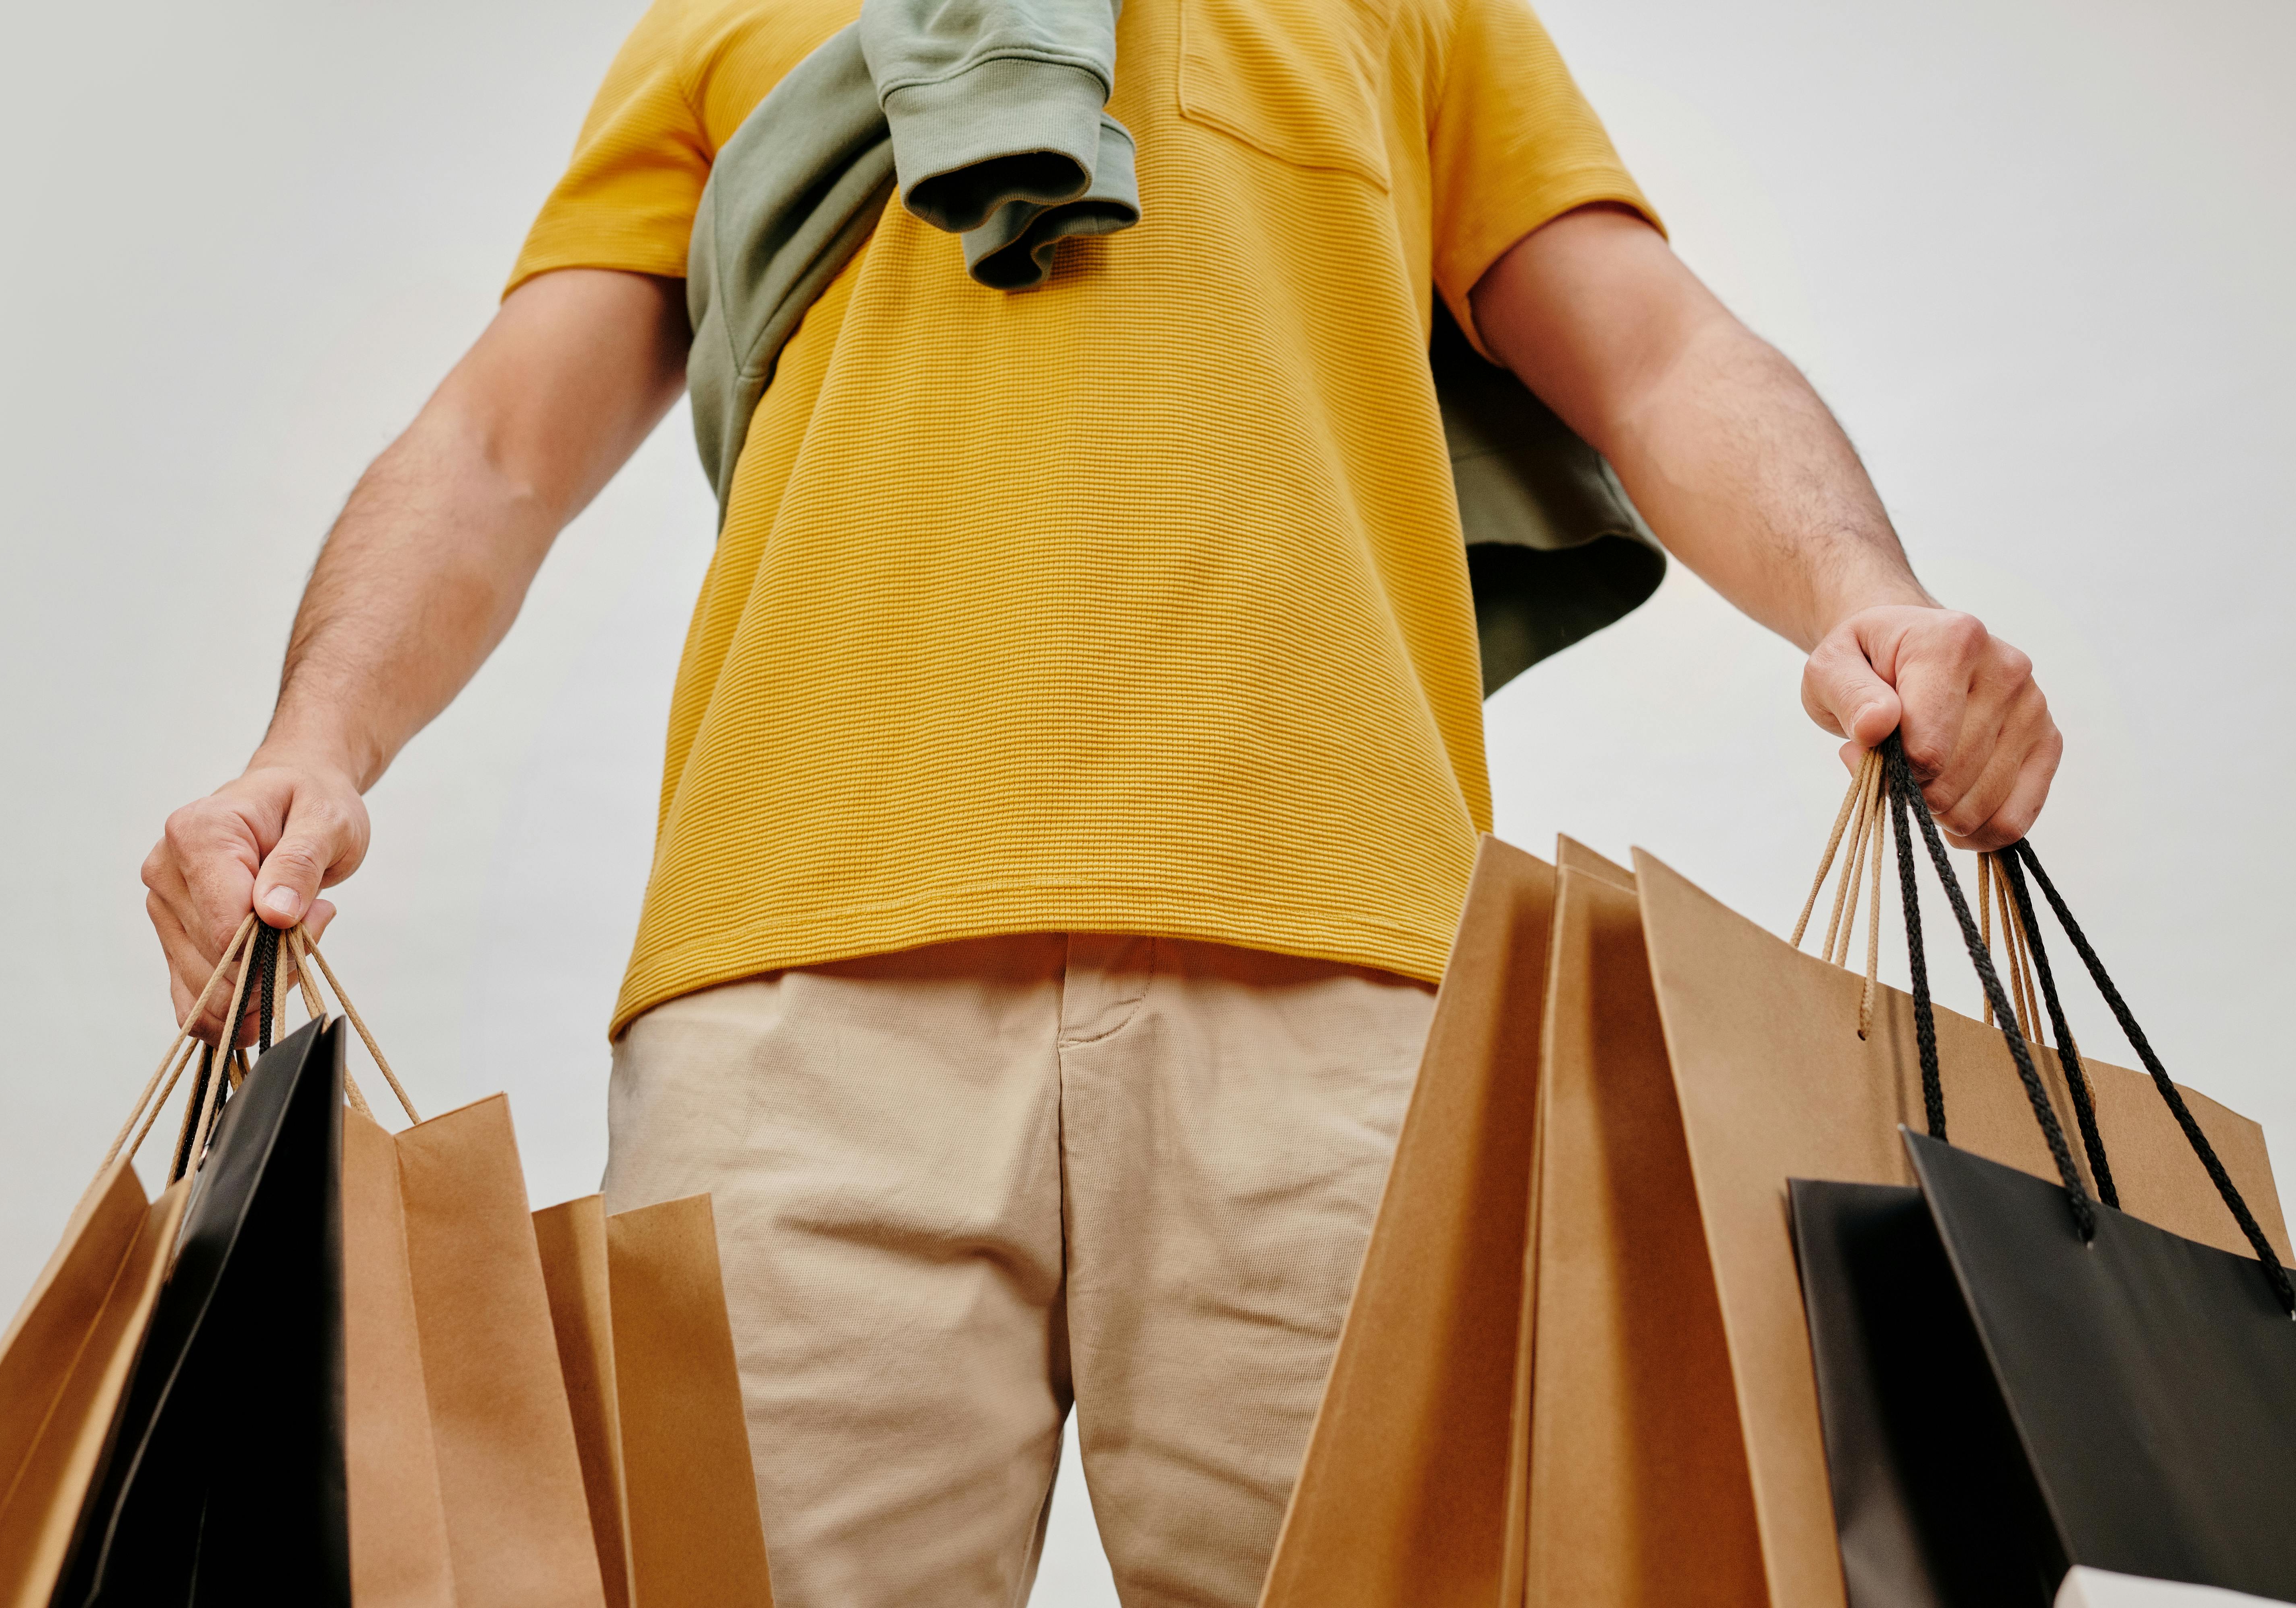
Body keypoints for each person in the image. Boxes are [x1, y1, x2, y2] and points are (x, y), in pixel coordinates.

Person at [140, 0, 2062, 1601]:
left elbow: (1654, 349)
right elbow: (497, 444)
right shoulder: (730, 11)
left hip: (1345, 999)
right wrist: (312, 744)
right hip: (795, 1013)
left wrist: (1872, 600)